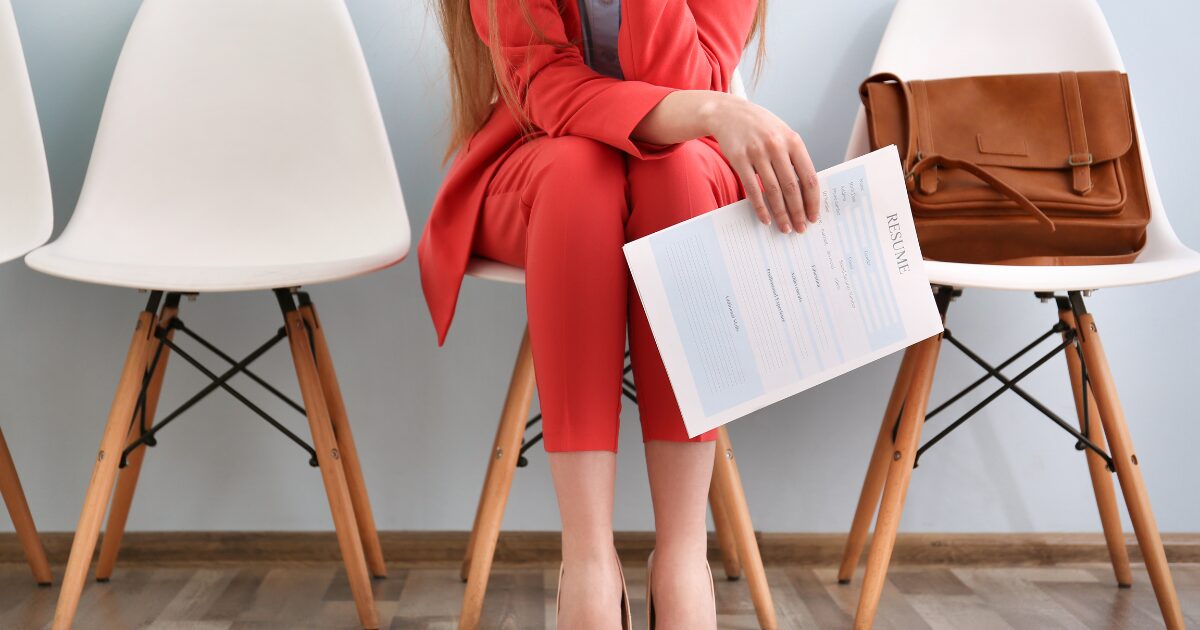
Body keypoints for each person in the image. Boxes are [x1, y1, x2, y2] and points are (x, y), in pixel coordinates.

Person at [421, 0, 820, 626]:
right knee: (583, 173)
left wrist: (704, 107)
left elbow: (686, 78)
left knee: (677, 173)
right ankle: (587, 562)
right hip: (540, 161)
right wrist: (716, 109)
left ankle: (683, 561)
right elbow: (548, 91)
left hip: (685, 171)